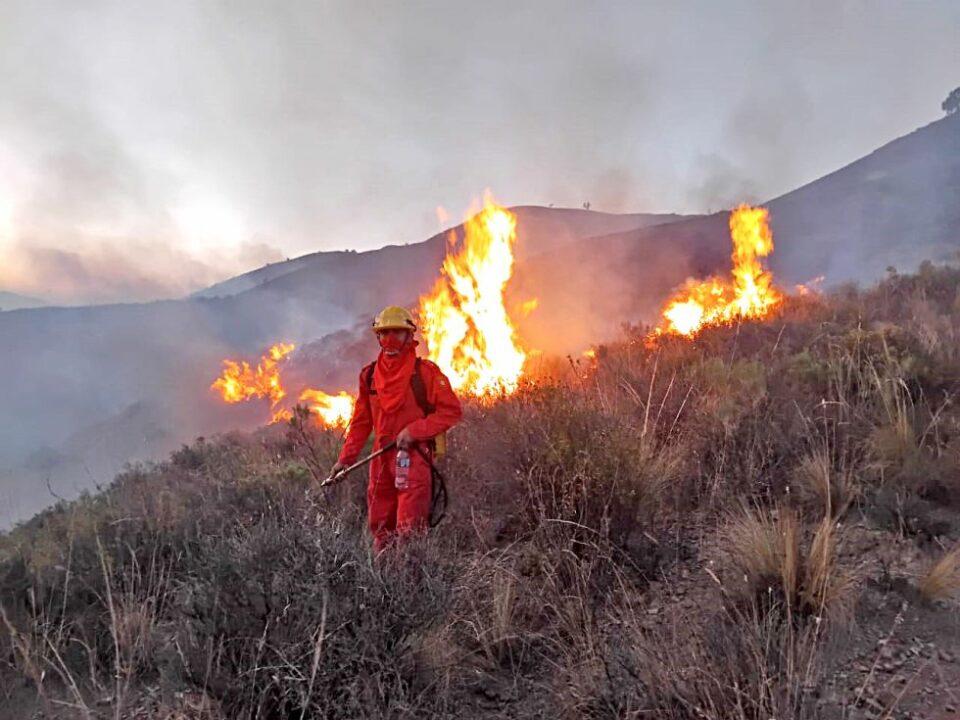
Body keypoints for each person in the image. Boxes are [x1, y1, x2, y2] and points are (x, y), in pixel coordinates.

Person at [330, 306, 462, 551]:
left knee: (410, 528)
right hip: (380, 460)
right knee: (380, 525)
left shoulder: (425, 373)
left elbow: (451, 411)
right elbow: (361, 423)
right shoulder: (369, 376)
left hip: (413, 459)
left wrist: (414, 431)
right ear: (377, 337)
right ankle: (385, 583)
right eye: (384, 333)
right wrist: (345, 460)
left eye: (397, 333)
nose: (390, 340)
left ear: (409, 336)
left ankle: (410, 583)